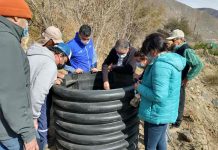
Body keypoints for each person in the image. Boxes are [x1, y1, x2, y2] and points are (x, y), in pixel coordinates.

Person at [134, 33, 186, 150]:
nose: (147, 55)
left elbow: (159, 95)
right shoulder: (170, 60)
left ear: (153, 50)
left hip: (156, 113)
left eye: (148, 51)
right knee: (160, 143)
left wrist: (139, 88)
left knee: (150, 146)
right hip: (164, 111)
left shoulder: (161, 65)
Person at [0, 0, 39, 149]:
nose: (27, 25)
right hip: (7, 132)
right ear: (16, 17)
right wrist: (28, 134)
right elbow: (12, 94)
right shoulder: (7, 41)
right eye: (27, 20)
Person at [27, 27, 70, 149]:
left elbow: (34, 75)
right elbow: (37, 93)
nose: (63, 65)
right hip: (29, 109)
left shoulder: (34, 51)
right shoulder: (49, 64)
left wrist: (51, 79)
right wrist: (34, 117)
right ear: (60, 55)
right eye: (64, 61)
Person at [167, 29, 204, 127]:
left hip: (180, 80)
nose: (172, 41)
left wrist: (187, 78)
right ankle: (171, 119)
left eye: (173, 39)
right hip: (173, 79)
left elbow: (198, 65)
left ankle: (176, 123)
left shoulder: (186, 49)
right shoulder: (176, 48)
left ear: (180, 39)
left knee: (179, 100)